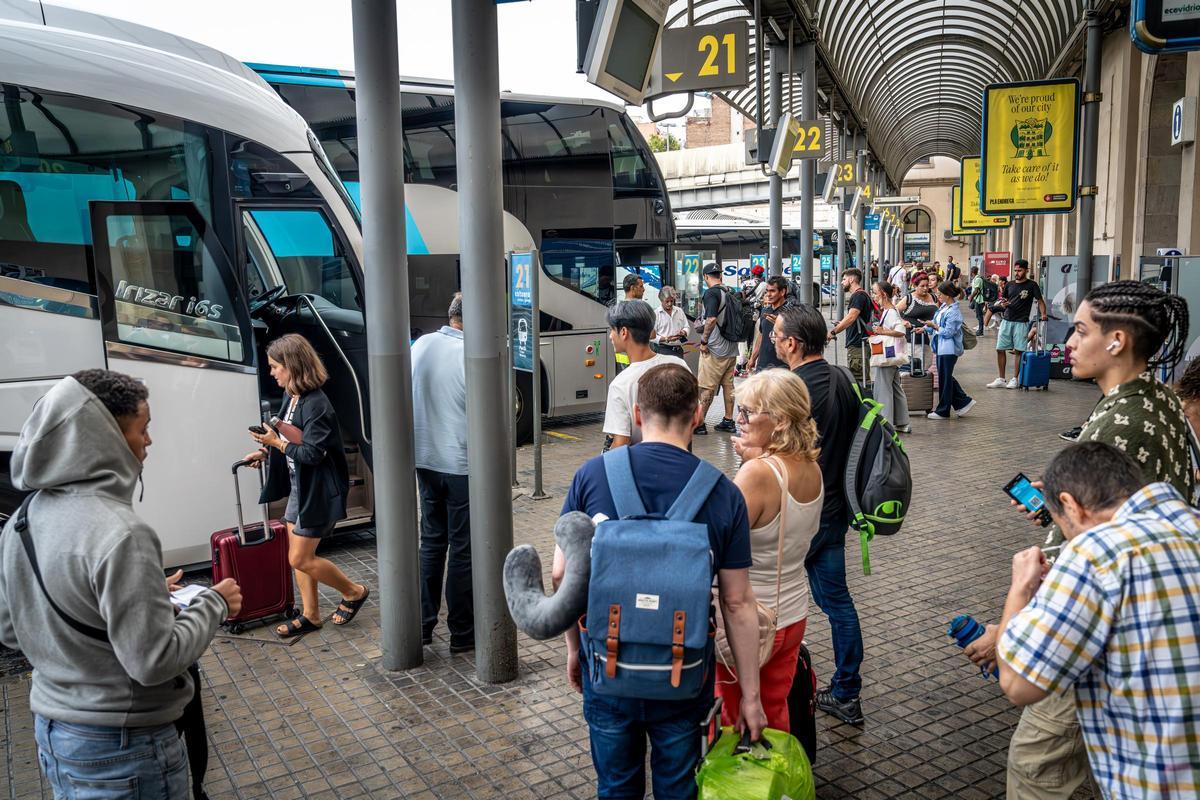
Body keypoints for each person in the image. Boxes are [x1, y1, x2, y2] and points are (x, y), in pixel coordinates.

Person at [964, 279, 1193, 800]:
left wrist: (1013, 624)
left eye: (1082, 330)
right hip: (1132, 614)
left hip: (1096, 619)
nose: (1067, 340)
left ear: (1116, 342)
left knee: (1038, 766)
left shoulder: (1125, 419)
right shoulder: (1154, 400)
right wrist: (1061, 508)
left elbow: (1099, 545)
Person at [0, 370, 241, 797]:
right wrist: (214, 604)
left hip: (56, 734)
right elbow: (153, 662)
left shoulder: (22, 520)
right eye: (143, 429)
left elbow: (12, 630)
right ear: (104, 436)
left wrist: (141, 595)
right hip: (125, 745)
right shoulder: (121, 533)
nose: (149, 441)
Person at [557, 364, 768, 798]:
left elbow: (563, 575)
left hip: (608, 667)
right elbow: (737, 604)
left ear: (636, 414)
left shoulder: (591, 476)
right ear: (696, 416)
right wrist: (750, 696)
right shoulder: (723, 493)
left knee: (616, 786)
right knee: (679, 787)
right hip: (684, 675)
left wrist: (576, 651)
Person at [997, 442, 1200, 800]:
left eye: (1064, 524)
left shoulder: (1095, 553)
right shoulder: (1191, 522)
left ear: (1072, 505)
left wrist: (1021, 587)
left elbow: (1018, 682)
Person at [772, 305, 867, 725]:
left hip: (798, 513)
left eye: (776, 335)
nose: (773, 341)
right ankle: (847, 691)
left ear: (792, 343)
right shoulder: (843, 377)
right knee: (838, 604)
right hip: (835, 511)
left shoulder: (792, 389)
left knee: (770, 600)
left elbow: (780, 453)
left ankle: (777, 686)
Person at [721, 370, 823, 731]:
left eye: (749, 412)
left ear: (779, 421)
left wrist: (749, 463)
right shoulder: (811, 467)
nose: (739, 419)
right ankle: (778, 780)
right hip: (792, 612)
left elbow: (721, 542)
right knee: (775, 708)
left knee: (737, 718)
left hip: (751, 620)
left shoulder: (758, 474)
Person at [249, 334, 365, 638]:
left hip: (318, 489)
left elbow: (312, 454)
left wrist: (276, 442)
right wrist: (265, 449)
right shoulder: (293, 396)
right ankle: (311, 615)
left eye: (275, 366)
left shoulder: (317, 405)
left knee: (299, 558)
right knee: (298, 554)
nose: (272, 372)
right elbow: (289, 437)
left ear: (292, 365)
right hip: (301, 485)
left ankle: (353, 591)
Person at [406, 294, 474, 653]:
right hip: (461, 465)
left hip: (425, 461)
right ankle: (463, 634)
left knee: (431, 543)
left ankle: (422, 625)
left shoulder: (422, 344)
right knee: (463, 549)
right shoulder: (471, 356)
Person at [603, 299, 688, 449]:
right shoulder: (678, 365)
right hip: (681, 459)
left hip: (641, 467)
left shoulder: (620, 385)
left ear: (623, 332)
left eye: (612, 330)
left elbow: (621, 443)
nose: (610, 336)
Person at [987, 259, 1048, 389]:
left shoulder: (1032, 285)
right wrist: (1003, 304)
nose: (1017, 273)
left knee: (1019, 351)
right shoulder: (1009, 285)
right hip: (1007, 320)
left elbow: (1040, 301)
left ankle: (1015, 378)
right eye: (1015, 270)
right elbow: (1003, 300)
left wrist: (1044, 314)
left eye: (1019, 270)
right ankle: (1001, 379)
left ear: (1026, 270)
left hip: (1022, 322)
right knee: (1000, 348)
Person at [696, 262, 738, 435]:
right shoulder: (729, 291)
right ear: (719, 275)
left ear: (706, 277)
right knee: (729, 385)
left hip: (715, 349)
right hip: (731, 348)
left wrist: (704, 341)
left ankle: (699, 424)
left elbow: (711, 319)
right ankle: (728, 421)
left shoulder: (711, 293)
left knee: (707, 386)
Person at [923, 282, 977, 420]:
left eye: (940, 294)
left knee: (945, 379)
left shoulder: (954, 312)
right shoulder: (944, 308)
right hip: (941, 348)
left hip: (949, 348)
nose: (938, 296)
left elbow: (948, 332)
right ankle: (963, 402)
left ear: (947, 295)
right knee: (945, 377)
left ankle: (943, 410)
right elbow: (937, 325)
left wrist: (933, 326)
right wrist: (925, 328)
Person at [870, 280, 911, 433]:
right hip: (892, 355)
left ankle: (885, 423)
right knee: (894, 387)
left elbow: (900, 331)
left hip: (887, 356)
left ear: (884, 294)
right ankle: (902, 421)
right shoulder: (889, 311)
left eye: (875, 292)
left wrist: (881, 331)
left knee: (884, 388)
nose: (873, 296)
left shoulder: (891, 312)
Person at [827, 268, 873, 385]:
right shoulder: (863, 295)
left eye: (844, 279)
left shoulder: (857, 296)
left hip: (858, 345)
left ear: (851, 279)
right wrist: (842, 322)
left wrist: (833, 332)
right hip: (860, 343)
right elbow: (854, 318)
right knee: (860, 379)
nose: (842, 282)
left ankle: (863, 403)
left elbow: (852, 316)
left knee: (858, 381)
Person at [748, 276, 789, 373]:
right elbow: (762, 335)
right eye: (767, 291)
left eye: (772, 291)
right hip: (762, 366)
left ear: (782, 292)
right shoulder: (765, 310)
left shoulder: (790, 313)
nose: (768, 295)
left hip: (781, 368)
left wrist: (782, 324)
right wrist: (753, 358)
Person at [651, 285, 689, 357]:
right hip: (663, 351)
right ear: (661, 300)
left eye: (672, 301)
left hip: (678, 350)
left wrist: (683, 332)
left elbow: (687, 327)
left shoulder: (679, 311)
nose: (670, 304)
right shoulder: (655, 314)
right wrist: (666, 339)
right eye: (667, 301)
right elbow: (651, 337)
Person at [968, 265, 985, 335]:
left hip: (979, 299)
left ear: (972, 272)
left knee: (979, 315)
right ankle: (980, 329)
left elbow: (976, 291)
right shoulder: (976, 279)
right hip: (976, 299)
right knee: (972, 307)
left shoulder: (978, 279)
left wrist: (971, 297)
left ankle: (980, 331)